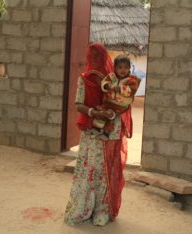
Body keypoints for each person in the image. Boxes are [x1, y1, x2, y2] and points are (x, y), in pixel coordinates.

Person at [64, 42, 133, 226]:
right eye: (92, 57)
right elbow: (78, 105)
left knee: (104, 172)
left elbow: (124, 103)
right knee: (91, 171)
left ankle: (101, 211)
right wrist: (95, 113)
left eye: (98, 57)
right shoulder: (84, 79)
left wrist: (113, 111)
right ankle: (87, 210)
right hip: (92, 131)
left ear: (104, 58)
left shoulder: (113, 79)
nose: (95, 60)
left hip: (110, 132)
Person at [92, 55, 141, 140]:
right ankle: (98, 128)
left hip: (121, 105)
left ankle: (106, 133)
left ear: (129, 68)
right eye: (120, 67)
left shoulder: (131, 80)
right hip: (109, 102)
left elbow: (132, 91)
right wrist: (106, 85)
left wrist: (120, 89)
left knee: (111, 116)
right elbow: (104, 82)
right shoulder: (111, 77)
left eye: (126, 67)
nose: (123, 70)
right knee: (102, 111)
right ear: (114, 68)